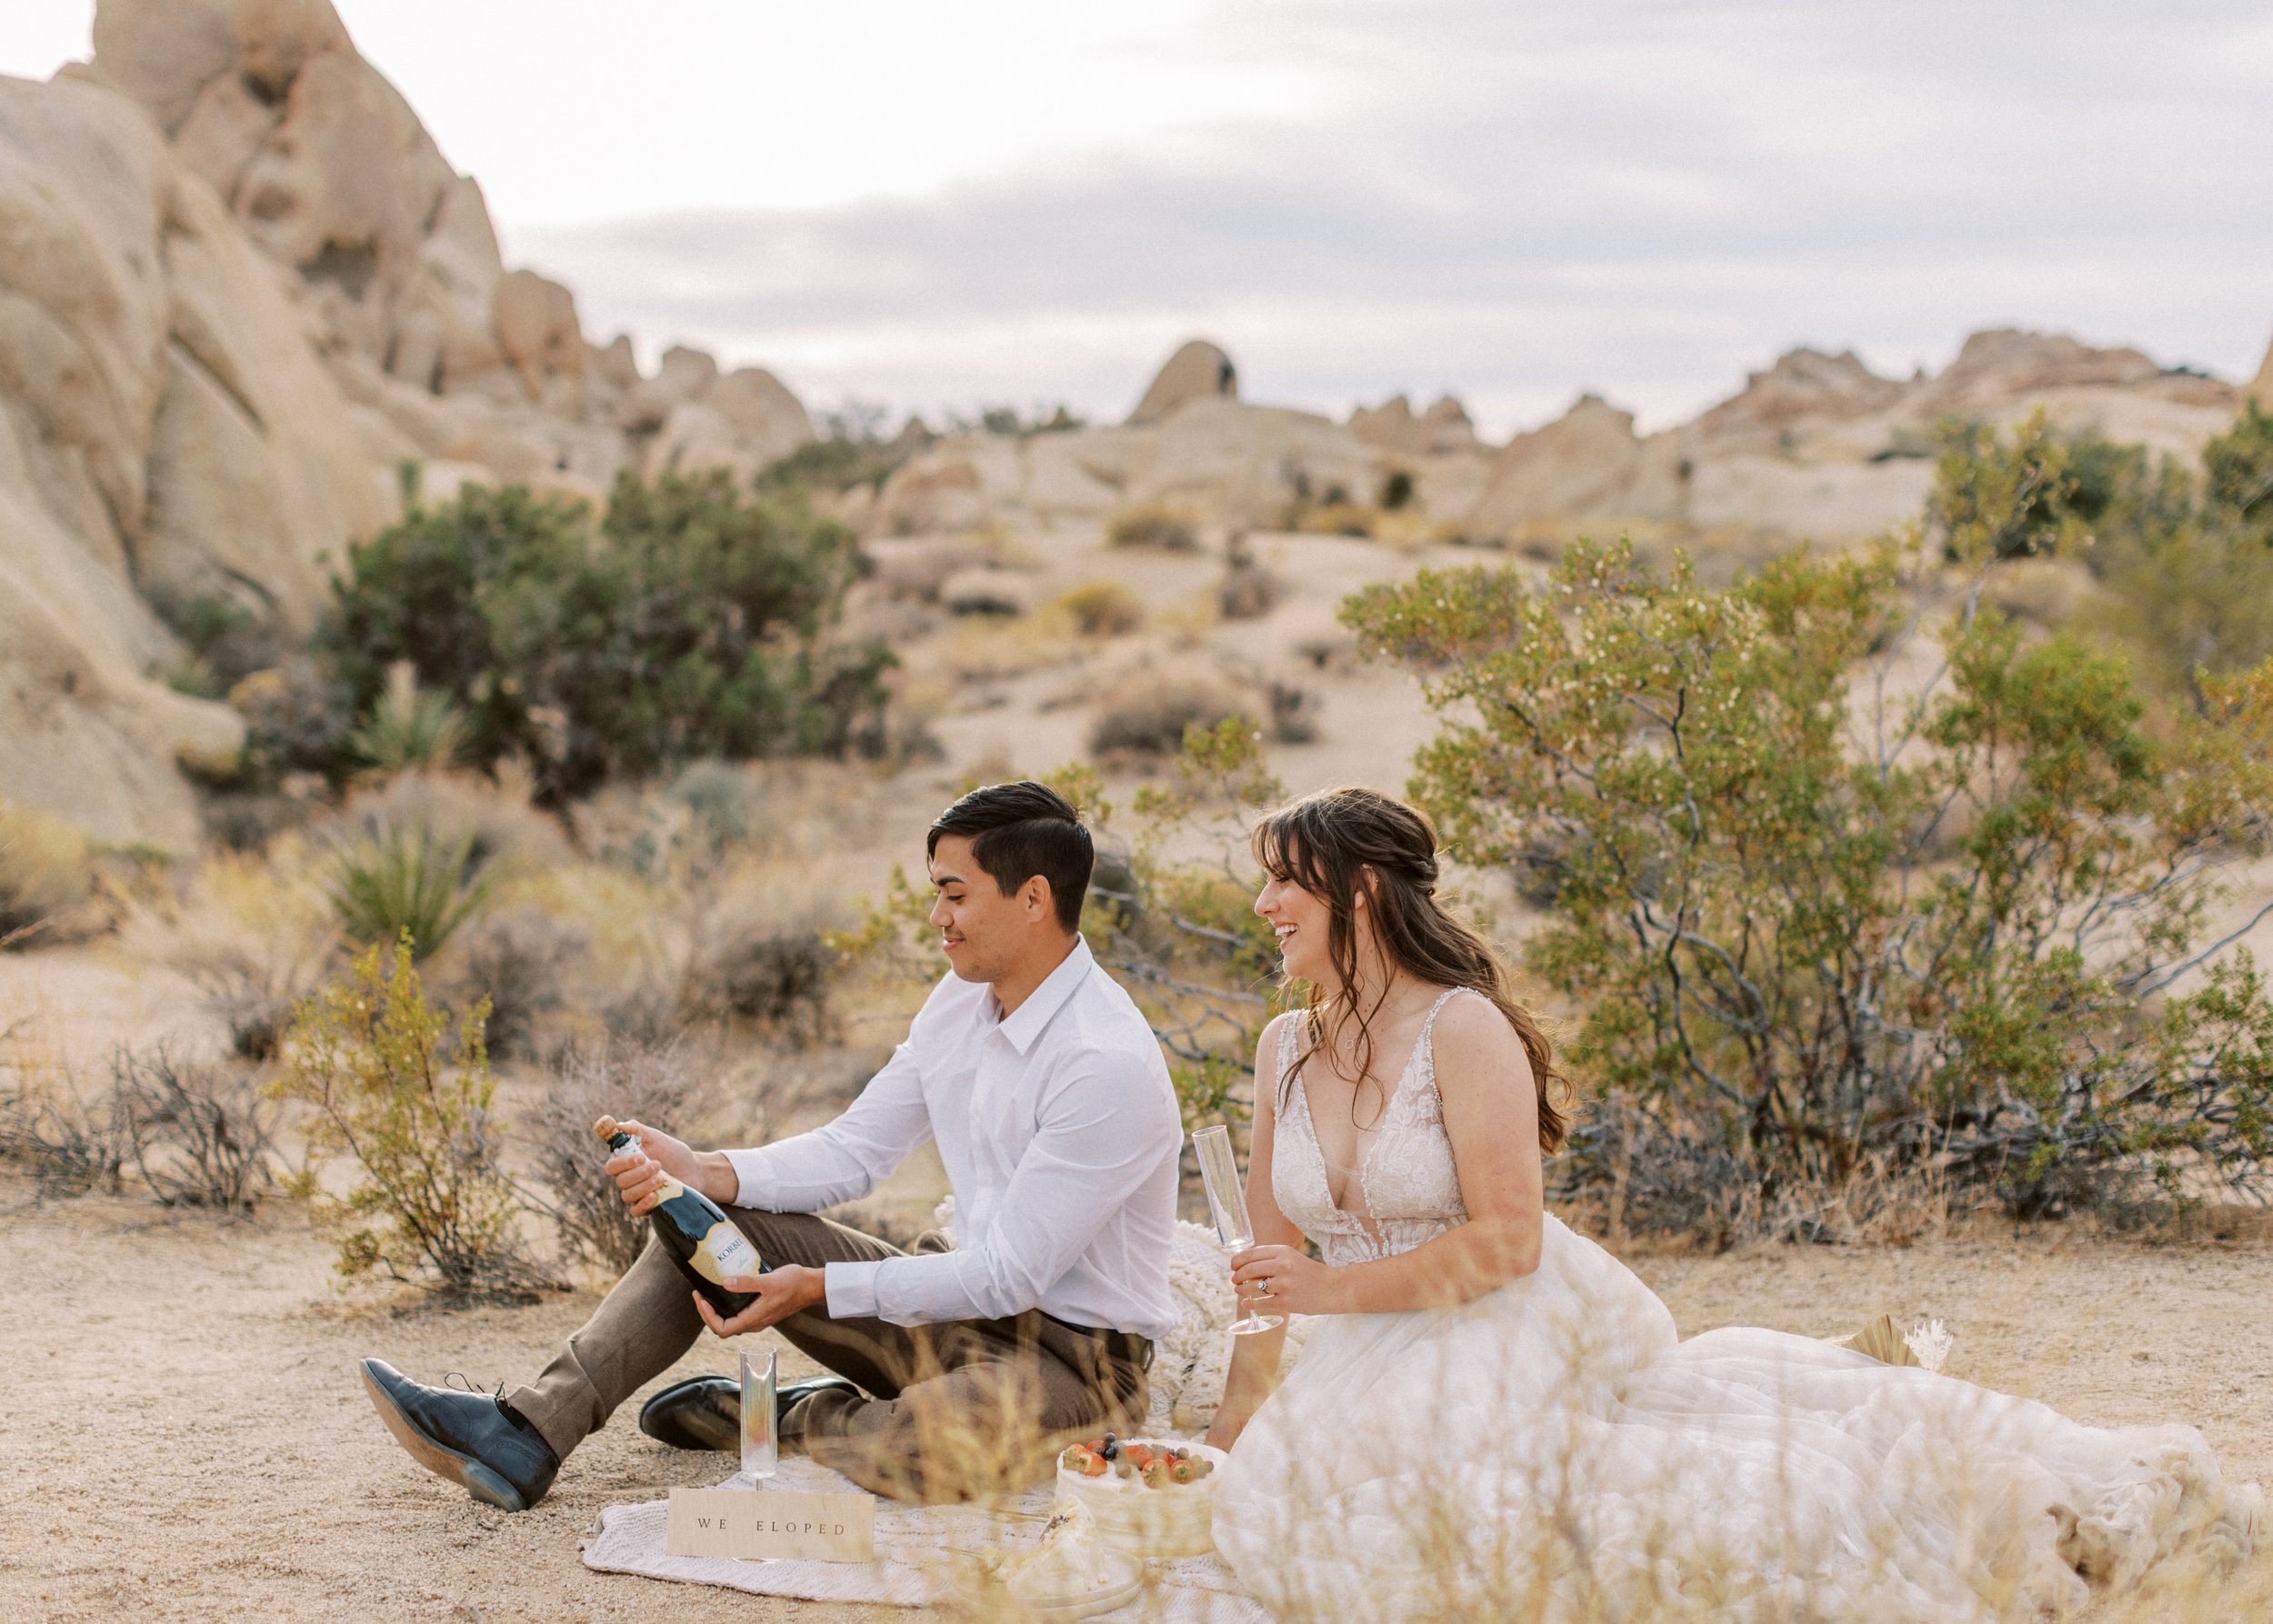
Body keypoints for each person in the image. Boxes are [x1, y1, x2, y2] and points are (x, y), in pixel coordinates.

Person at [1204, 786, 2261, 1622]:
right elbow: (1266, 1256)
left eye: (1281, 883)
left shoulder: (1461, 1029)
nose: (1261, 907)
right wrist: (1232, 1419)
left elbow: (1508, 1242)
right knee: (1263, 1504)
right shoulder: (1283, 1047)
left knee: (1447, 1516)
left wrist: (1331, 1290)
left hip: (1495, 1317)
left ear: (1361, 893)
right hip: (1362, 1347)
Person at [359, 781, 1183, 1509]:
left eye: (954, 895)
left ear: (1033, 898)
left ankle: (793, 1413)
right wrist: (705, 1171)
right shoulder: (959, 1001)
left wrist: (817, 1286)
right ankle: (531, 1428)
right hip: (946, 1312)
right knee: (715, 1216)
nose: (937, 917)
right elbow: (856, 1149)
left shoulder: (1102, 1061)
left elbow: (1013, 1273)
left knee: (920, 1454)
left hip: (1077, 1367)